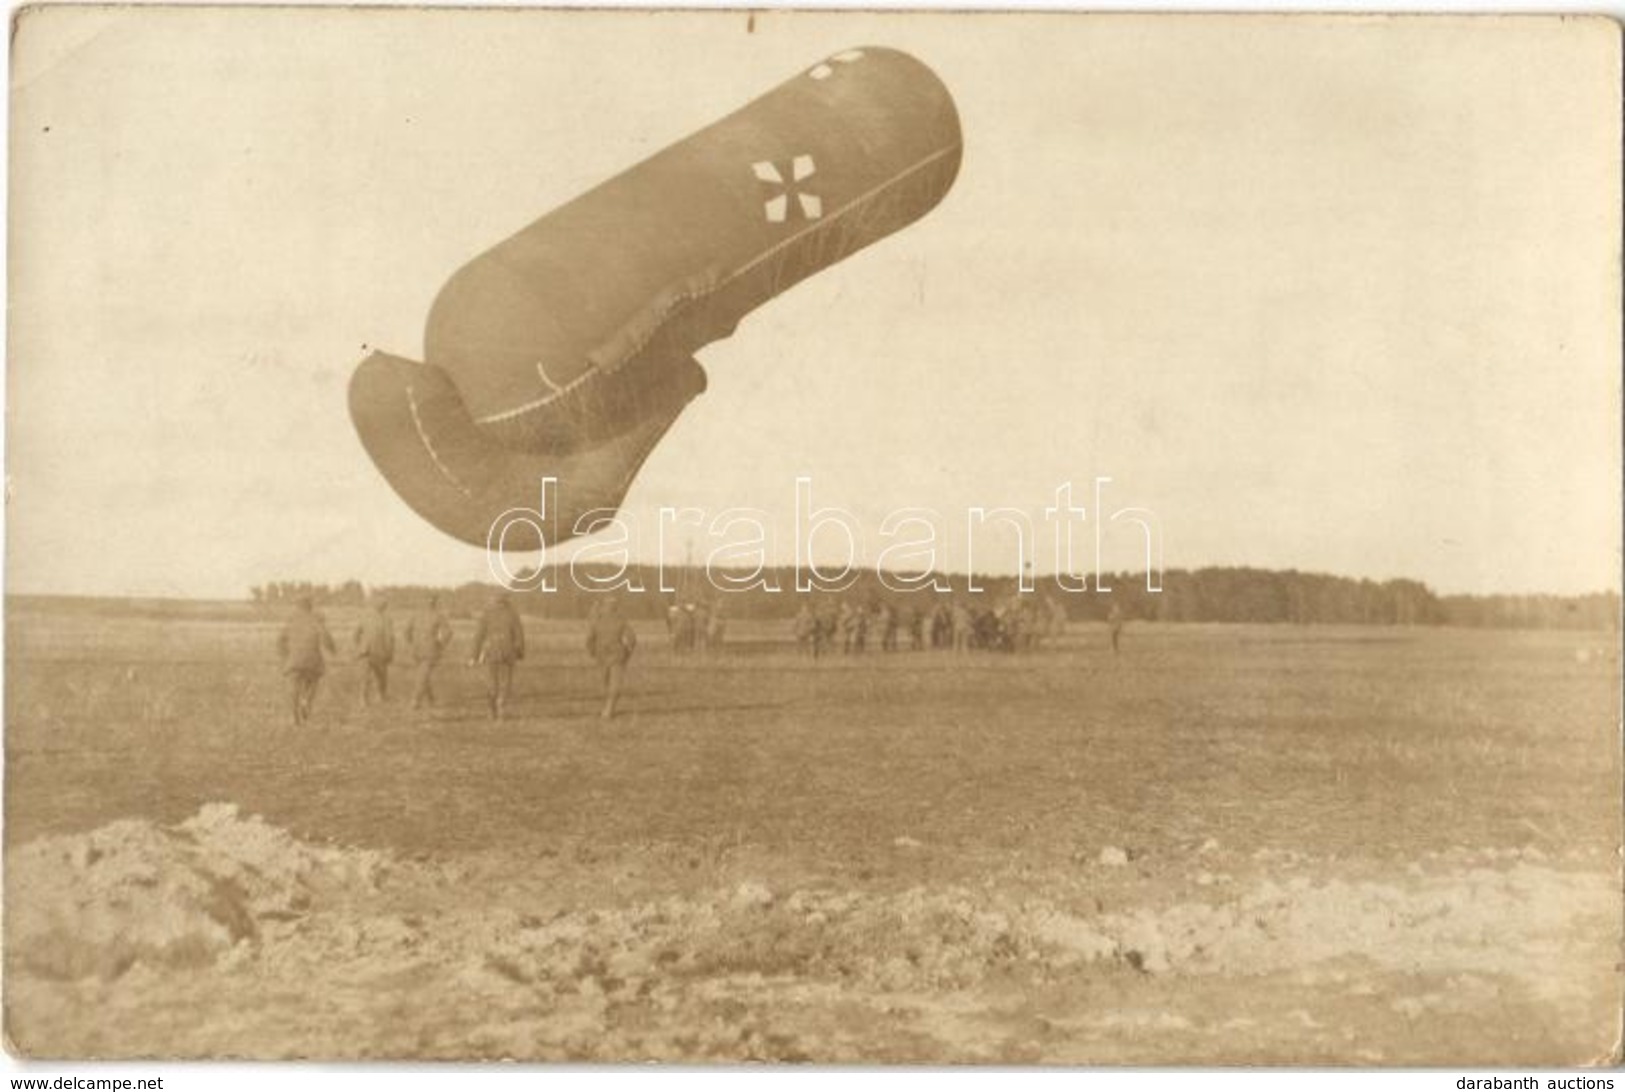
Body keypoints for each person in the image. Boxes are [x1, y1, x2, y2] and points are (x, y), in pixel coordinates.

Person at [277, 595, 335, 726]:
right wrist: (333, 649)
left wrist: (285, 656)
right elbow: (327, 639)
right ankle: (306, 701)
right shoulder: (316, 620)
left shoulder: (291, 621)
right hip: (312, 660)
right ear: (310, 606)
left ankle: (294, 716)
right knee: (313, 681)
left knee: (293, 687)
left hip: (294, 660)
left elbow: (280, 641)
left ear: (297, 606)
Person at [470, 593, 525, 720]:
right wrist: (519, 653)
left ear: (494, 601)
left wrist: (474, 655)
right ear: (506, 601)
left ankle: (491, 709)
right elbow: (519, 636)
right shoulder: (512, 615)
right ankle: (501, 705)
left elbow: (478, 637)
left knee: (491, 681)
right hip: (508, 652)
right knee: (505, 682)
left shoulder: (487, 615)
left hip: (491, 651)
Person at [586, 596, 638, 719]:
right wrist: (627, 652)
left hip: (601, 655)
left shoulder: (597, 621)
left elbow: (589, 640)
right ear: (615, 607)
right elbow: (632, 639)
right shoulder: (621, 621)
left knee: (604, 682)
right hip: (617, 655)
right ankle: (608, 709)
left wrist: (592, 652)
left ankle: (606, 708)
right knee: (614, 683)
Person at [405, 594, 454, 709]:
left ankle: (415, 700)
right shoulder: (437, 615)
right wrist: (440, 644)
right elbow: (448, 633)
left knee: (422, 674)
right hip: (427, 649)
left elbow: (406, 633)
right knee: (423, 675)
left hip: (421, 650)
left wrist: (413, 643)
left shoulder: (417, 615)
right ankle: (430, 699)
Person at [352, 596, 395, 707]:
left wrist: (359, 646)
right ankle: (380, 696)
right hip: (379, 652)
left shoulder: (365, 617)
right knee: (381, 676)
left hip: (364, 651)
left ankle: (363, 699)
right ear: (384, 607)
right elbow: (390, 638)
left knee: (365, 677)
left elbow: (355, 634)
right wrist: (390, 653)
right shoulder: (387, 620)